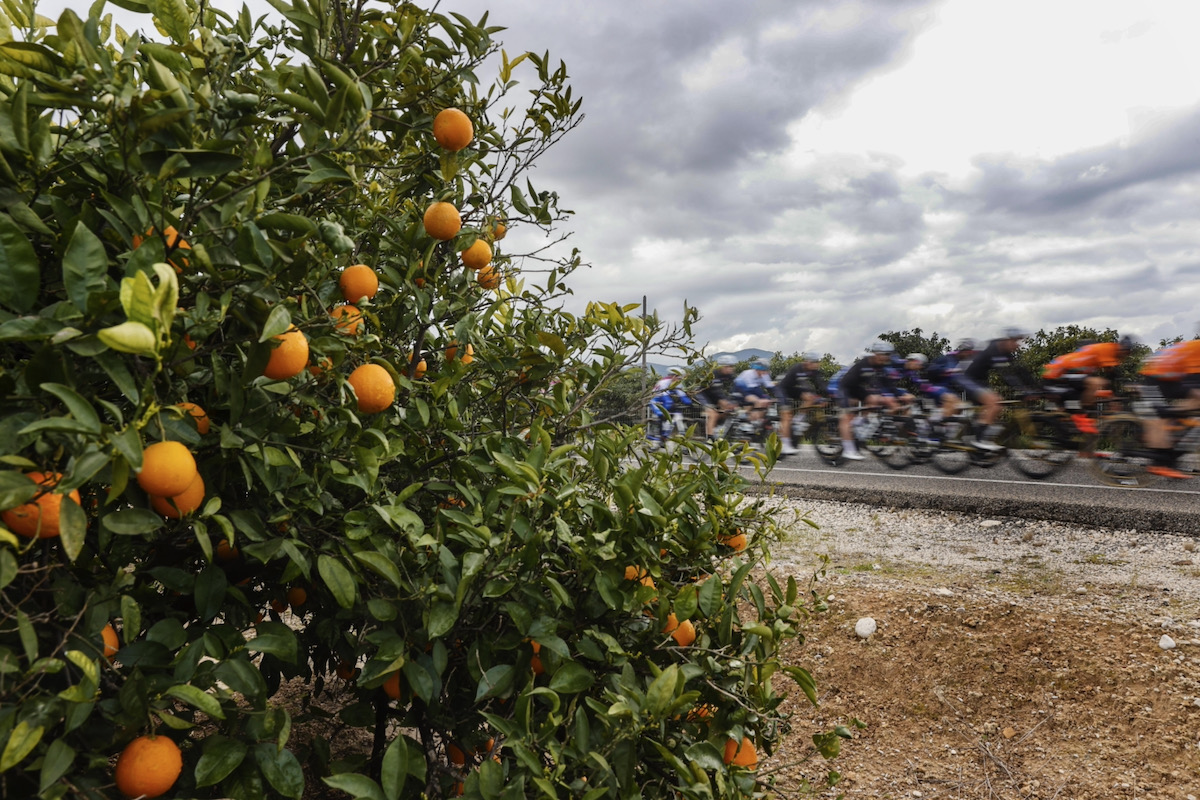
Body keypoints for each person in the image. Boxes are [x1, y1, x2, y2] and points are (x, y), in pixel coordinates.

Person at [957, 328, 1032, 450]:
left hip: (980, 380)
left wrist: (1033, 387)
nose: (1017, 345)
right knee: (994, 403)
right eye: (1015, 341)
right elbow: (1007, 374)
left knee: (998, 404)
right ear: (1007, 340)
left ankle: (978, 433)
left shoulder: (1004, 352)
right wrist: (1021, 389)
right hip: (968, 379)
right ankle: (980, 440)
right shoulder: (994, 350)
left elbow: (1020, 370)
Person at [1041, 336, 1134, 434]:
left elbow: (1112, 377)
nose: (1126, 356)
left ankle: (1074, 417)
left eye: (1129, 353)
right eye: (1126, 352)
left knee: (1095, 388)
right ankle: (1080, 414)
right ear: (1121, 348)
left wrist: (1113, 395)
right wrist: (1123, 390)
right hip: (1059, 372)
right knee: (1097, 382)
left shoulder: (1093, 360)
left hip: (1064, 373)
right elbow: (1112, 374)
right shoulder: (1108, 349)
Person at [1136, 339, 1200, 479]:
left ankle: (1173, 427)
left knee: (1194, 399)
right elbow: (1195, 380)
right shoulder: (1197, 348)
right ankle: (1159, 463)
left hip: (1169, 378)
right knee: (1162, 415)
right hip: (1154, 377)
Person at [835, 341, 900, 460]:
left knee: (873, 401)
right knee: (846, 417)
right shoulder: (866, 363)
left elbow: (883, 383)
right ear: (876, 354)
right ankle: (848, 450)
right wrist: (882, 396)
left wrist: (889, 396)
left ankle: (858, 425)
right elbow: (873, 382)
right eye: (885, 354)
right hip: (844, 388)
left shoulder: (880, 365)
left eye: (888, 355)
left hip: (856, 388)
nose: (887, 358)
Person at [776, 351, 828, 455]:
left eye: (818, 362)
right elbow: (804, 384)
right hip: (782, 389)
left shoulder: (814, 370)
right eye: (815, 362)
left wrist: (829, 395)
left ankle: (798, 420)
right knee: (787, 415)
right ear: (807, 362)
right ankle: (785, 445)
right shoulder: (798, 368)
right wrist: (816, 397)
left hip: (793, 389)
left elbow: (821, 383)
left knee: (810, 398)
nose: (817, 364)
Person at [925, 339, 976, 427]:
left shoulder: (960, 363)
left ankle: (941, 428)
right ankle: (934, 426)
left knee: (960, 406)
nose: (969, 355)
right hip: (933, 387)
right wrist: (945, 371)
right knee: (952, 399)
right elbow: (930, 370)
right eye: (967, 352)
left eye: (970, 353)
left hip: (946, 390)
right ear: (962, 351)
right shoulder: (946, 359)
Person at [646, 367, 692, 449]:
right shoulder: (664, 382)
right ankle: (657, 440)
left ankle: (666, 436)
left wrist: (689, 403)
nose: (680, 380)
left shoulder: (678, 383)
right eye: (679, 378)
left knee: (677, 416)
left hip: (666, 402)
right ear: (673, 376)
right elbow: (667, 400)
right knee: (662, 416)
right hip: (656, 402)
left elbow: (682, 396)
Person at [698, 355, 740, 440]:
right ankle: (709, 439)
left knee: (727, 411)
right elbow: (716, 393)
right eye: (729, 366)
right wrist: (726, 402)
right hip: (702, 395)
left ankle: (716, 430)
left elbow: (737, 386)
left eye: (732, 366)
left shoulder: (728, 374)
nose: (732, 369)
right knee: (713, 414)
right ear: (722, 367)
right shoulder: (713, 375)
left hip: (713, 395)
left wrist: (736, 400)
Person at [733, 361, 776, 427]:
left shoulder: (765, 374)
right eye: (763, 371)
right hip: (739, 390)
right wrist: (760, 400)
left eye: (766, 371)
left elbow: (770, 387)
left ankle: (756, 421)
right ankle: (745, 422)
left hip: (752, 390)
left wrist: (779, 396)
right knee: (753, 402)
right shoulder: (748, 374)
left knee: (765, 401)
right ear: (757, 370)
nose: (765, 373)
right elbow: (751, 391)